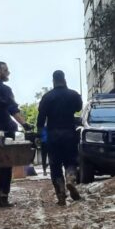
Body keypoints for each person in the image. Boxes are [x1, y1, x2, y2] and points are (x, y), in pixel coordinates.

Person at [36, 71, 83, 206]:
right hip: (69, 133)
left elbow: (41, 118)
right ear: (64, 79)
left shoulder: (47, 97)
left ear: (53, 81)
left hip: (53, 136)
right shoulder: (73, 95)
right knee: (71, 161)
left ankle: (61, 195)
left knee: (55, 165)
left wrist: (40, 134)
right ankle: (70, 178)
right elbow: (78, 108)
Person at [0, 62, 29, 208]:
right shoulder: (4, 89)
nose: (9, 73)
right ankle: (3, 197)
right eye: (6, 70)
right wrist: (25, 124)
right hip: (5, 130)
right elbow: (13, 109)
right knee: (5, 163)